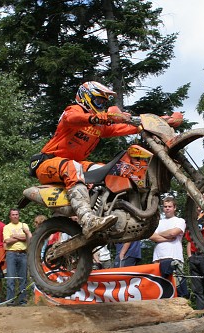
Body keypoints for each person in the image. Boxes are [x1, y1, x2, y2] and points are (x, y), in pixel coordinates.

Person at [32, 81, 143, 239]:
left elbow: (123, 127)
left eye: (104, 102)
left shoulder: (99, 126)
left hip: (76, 164)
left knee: (109, 171)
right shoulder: (73, 111)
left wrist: (155, 122)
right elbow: (72, 118)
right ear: (86, 97)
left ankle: (111, 212)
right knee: (71, 166)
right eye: (98, 101)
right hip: (49, 162)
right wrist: (102, 117)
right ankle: (87, 219)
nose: (101, 105)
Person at [150, 197, 186, 295]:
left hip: (174, 257)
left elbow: (173, 233)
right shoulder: (158, 222)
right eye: (165, 206)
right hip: (158, 258)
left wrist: (159, 234)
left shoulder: (180, 220)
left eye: (170, 206)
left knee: (177, 287)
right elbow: (152, 236)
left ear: (175, 208)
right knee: (160, 289)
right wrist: (167, 238)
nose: (167, 208)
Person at [3, 208, 32, 305]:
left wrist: (14, 236)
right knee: (10, 278)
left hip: (23, 253)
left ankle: (22, 300)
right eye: (13, 214)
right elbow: (7, 241)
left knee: (23, 278)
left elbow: (28, 237)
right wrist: (21, 237)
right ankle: (10, 300)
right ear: (10, 216)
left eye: (16, 214)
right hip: (11, 254)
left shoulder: (24, 225)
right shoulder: (6, 227)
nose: (15, 216)